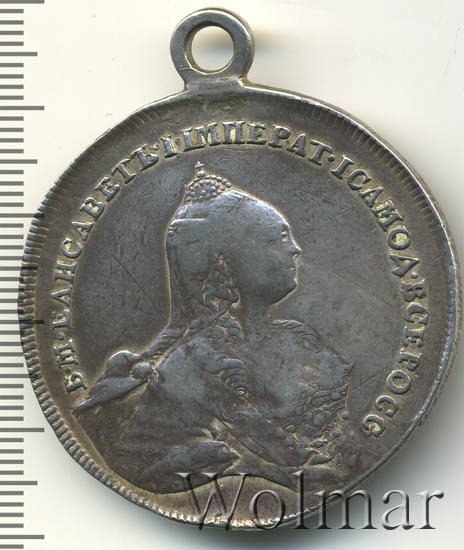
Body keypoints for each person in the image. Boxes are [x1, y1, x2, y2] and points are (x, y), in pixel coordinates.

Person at [75, 162, 354, 493]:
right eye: (278, 238)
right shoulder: (190, 365)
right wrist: (266, 472)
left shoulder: (298, 339)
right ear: (226, 258)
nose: (295, 248)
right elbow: (151, 470)